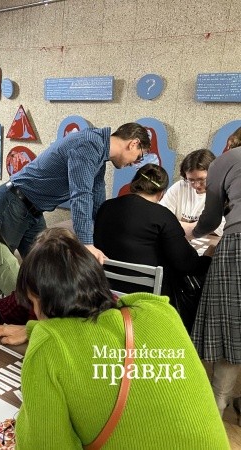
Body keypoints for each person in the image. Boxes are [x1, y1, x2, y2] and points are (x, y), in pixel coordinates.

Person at [14, 228, 227, 449]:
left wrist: (40, 334)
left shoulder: (48, 346)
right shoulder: (160, 310)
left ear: (45, 301)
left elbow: (45, 444)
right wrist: (33, 329)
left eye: (33, 302)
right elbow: (104, 322)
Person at [0, 122, 151, 261]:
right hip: (12, 204)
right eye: (139, 157)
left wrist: (109, 235)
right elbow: (81, 195)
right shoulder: (89, 144)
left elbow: (97, 201)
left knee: (44, 268)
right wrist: (86, 244)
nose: (135, 163)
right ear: (133, 144)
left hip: (33, 211)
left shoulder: (100, 155)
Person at [94, 164, 214, 332]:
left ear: (134, 184)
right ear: (161, 193)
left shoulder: (106, 207)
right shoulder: (162, 216)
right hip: (147, 294)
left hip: (106, 287)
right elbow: (186, 263)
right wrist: (208, 256)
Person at [189, 127, 241, 417]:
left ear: (231, 141)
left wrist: (192, 232)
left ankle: (218, 401)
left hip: (237, 244)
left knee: (231, 326)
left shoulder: (226, 160)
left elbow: (210, 219)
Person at [160, 149, 224, 236]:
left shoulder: (221, 193)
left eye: (202, 179)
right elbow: (161, 218)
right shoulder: (179, 187)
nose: (197, 185)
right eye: (191, 180)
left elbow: (219, 229)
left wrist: (175, 225)